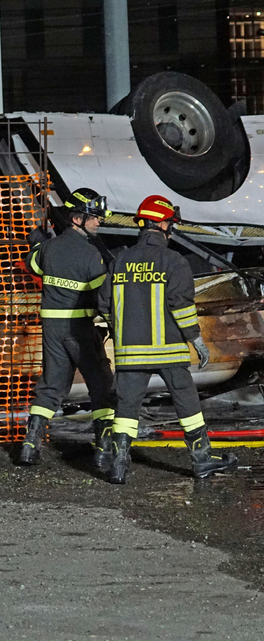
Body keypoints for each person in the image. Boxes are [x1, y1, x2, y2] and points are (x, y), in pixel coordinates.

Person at [97, 195, 237, 485]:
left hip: (130, 352)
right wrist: (195, 339)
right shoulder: (173, 261)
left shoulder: (120, 260)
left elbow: (104, 302)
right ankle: (201, 459)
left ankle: (119, 464)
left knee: (126, 407)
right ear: (162, 223)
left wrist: (124, 327)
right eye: (169, 223)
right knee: (186, 401)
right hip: (168, 349)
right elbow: (181, 304)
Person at [19, 187, 117, 468]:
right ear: (77, 219)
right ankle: (104, 447)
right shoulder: (90, 255)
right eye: (93, 217)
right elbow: (104, 297)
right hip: (80, 329)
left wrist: (38, 242)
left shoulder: (49, 248)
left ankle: (29, 446)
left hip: (51, 327)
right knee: (100, 384)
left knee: (51, 386)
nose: (99, 221)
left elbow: (34, 265)